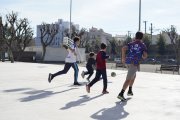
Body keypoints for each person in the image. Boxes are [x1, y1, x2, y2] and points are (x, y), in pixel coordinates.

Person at [117, 31, 148, 101]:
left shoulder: (131, 43)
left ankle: (130, 90)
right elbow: (145, 56)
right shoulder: (142, 45)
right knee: (128, 79)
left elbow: (123, 48)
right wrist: (143, 57)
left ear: (136, 36)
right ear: (142, 37)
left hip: (128, 62)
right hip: (134, 63)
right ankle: (121, 94)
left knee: (133, 76)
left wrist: (123, 58)